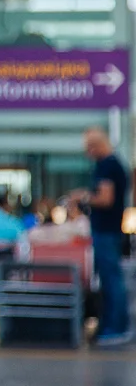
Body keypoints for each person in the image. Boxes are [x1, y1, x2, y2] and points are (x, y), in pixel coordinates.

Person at [68, 128, 131, 347]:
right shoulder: (114, 165)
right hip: (109, 230)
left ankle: (116, 328)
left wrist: (82, 196)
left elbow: (105, 198)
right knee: (109, 279)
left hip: (106, 231)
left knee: (111, 279)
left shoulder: (108, 166)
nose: (88, 154)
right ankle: (112, 327)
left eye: (89, 148)